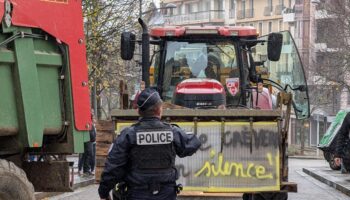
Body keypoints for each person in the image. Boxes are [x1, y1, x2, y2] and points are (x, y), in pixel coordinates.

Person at [98, 88, 201, 200]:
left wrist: (103, 192)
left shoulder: (128, 136)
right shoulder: (172, 132)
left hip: (136, 195)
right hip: (166, 195)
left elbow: (113, 167)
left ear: (138, 111)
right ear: (159, 110)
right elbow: (192, 144)